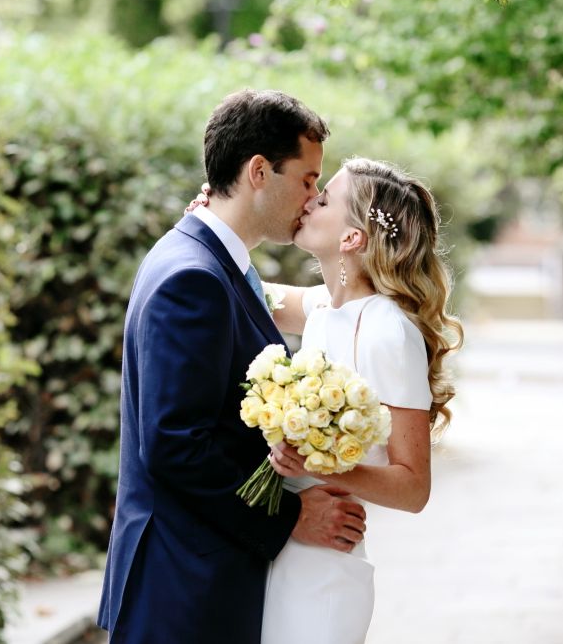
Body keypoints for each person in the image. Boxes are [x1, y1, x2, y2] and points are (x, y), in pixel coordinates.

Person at [97, 90, 368, 644]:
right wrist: (291, 518)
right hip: (183, 588)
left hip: (198, 578)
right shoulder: (192, 279)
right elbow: (176, 445)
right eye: (309, 179)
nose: (312, 197)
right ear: (259, 171)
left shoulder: (204, 260)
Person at [189, 156, 463, 643]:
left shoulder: (388, 332)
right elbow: (247, 291)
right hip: (281, 543)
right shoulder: (324, 307)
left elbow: (413, 487)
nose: (308, 201)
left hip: (325, 558)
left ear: (352, 238)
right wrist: (207, 226)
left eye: (324, 197)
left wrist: (317, 465)